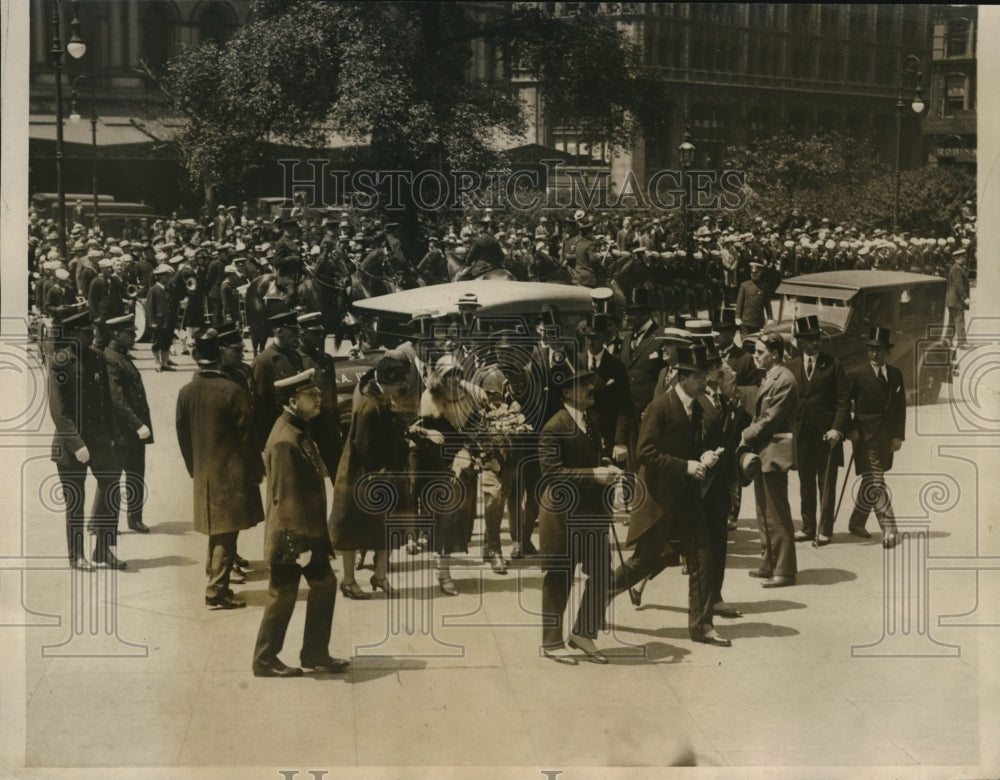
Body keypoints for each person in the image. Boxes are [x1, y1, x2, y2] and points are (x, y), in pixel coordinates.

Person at [610, 345, 733, 647]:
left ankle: (702, 626)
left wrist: (702, 456)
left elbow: (687, 448)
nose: (707, 382)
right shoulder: (661, 407)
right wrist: (685, 466)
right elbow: (645, 453)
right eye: (702, 377)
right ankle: (596, 596)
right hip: (658, 500)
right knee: (644, 562)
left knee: (703, 557)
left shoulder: (696, 406)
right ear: (686, 377)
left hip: (686, 500)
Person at [252, 369, 351, 678]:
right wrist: (300, 545)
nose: (318, 397)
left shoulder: (297, 429)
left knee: (325, 585)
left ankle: (315, 653)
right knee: (282, 595)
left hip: (308, 533)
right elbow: (286, 498)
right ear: (293, 401)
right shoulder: (285, 441)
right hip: (293, 536)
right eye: (312, 395)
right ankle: (265, 660)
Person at [538, 368, 622, 664]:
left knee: (602, 574)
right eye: (582, 385)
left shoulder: (591, 421)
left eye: (590, 383)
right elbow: (552, 474)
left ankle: (582, 632)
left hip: (592, 514)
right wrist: (594, 474)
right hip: (563, 516)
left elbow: (593, 458)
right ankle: (551, 642)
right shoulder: (554, 427)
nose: (590, 388)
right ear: (566, 393)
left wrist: (607, 466)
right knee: (559, 577)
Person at [176, 330, 265, 609]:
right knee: (227, 532)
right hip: (232, 472)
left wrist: (194, 468)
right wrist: (256, 467)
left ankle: (214, 577)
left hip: (204, 471)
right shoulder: (231, 390)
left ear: (196, 357)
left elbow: (182, 434)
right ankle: (217, 591)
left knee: (218, 529)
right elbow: (247, 436)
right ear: (219, 356)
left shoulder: (186, 391)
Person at [330, 353, 415, 598]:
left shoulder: (381, 397)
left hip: (381, 475)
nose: (402, 389)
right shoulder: (370, 405)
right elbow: (365, 447)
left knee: (384, 529)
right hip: (364, 476)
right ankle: (348, 581)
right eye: (399, 384)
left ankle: (380, 576)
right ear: (387, 381)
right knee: (353, 531)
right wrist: (381, 475)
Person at [47, 309, 123, 570]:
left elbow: (106, 402)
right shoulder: (60, 361)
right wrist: (76, 443)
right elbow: (59, 410)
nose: (93, 335)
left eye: (92, 331)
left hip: (100, 440)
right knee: (75, 502)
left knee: (111, 488)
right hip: (71, 446)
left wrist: (112, 436)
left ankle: (103, 549)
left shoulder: (96, 357)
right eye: (86, 332)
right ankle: (76, 555)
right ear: (72, 334)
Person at [784, 315, 850, 546]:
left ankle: (825, 530)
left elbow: (844, 401)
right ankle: (808, 527)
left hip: (827, 436)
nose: (815, 343)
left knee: (827, 483)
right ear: (800, 342)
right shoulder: (790, 367)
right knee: (805, 483)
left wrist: (837, 430)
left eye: (817, 338)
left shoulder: (834, 365)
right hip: (801, 434)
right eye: (809, 339)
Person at [740, 332, 799, 588]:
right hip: (765, 450)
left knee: (776, 512)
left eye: (761, 351)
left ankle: (784, 570)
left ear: (774, 354)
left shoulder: (784, 380)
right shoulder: (771, 376)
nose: (756, 355)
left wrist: (745, 435)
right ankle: (769, 562)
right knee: (763, 510)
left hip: (775, 449)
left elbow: (769, 419)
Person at [846, 327, 906, 549]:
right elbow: (843, 404)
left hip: (887, 437)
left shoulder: (896, 375)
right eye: (871, 350)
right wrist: (849, 429)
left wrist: (898, 436)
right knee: (877, 479)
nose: (874, 354)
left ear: (886, 352)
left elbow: (900, 409)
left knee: (870, 479)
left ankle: (856, 522)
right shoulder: (856, 375)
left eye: (879, 350)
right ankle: (889, 529)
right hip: (865, 436)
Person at [103, 314, 153, 534]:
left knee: (135, 473)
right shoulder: (109, 358)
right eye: (129, 333)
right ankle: (100, 523)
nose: (133, 337)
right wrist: (137, 424)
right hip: (121, 430)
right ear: (116, 334)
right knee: (113, 476)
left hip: (132, 431)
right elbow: (118, 399)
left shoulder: (121, 356)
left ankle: (135, 518)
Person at [251, 311, 304, 448]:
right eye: (293, 331)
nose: (297, 335)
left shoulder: (295, 356)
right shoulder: (263, 361)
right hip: (278, 434)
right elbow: (260, 406)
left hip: (299, 429)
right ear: (279, 332)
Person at [146, 263, 176, 371]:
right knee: (157, 342)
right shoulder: (153, 290)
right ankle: (157, 363)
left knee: (167, 342)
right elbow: (149, 308)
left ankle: (165, 363)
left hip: (168, 321)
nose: (168, 278)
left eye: (169, 276)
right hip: (159, 321)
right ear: (159, 276)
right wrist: (152, 321)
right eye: (166, 276)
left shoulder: (169, 289)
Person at [734, 261, 772, 335]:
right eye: (752, 272)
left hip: (758, 321)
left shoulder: (764, 286)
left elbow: (767, 303)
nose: (754, 274)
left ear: (760, 272)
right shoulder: (744, 285)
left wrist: (770, 317)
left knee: (757, 343)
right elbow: (739, 303)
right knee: (746, 343)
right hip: (746, 320)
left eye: (756, 272)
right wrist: (737, 316)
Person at [946, 248, 971, 349]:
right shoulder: (957, 269)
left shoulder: (956, 267)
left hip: (952, 300)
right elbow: (958, 286)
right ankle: (962, 343)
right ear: (959, 257)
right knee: (959, 320)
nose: (965, 258)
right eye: (964, 257)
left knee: (952, 322)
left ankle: (947, 341)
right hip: (956, 300)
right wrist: (965, 297)